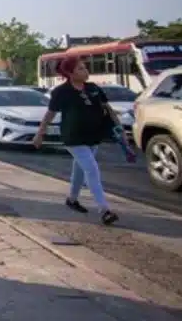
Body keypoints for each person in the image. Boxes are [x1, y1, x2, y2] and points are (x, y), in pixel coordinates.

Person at [33, 55, 123, 225]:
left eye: (85, 67)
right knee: (91, 169)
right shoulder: (61, 92)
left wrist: (119, 129)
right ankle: (104, 210)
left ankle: (72, 199)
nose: (85, 71)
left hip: (93, 136)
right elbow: (50, 114)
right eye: (80, 68)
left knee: (80, 170)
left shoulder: (93, 88)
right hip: (73, 137)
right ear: (70, 73)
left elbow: (107, 108)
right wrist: (40, 133)